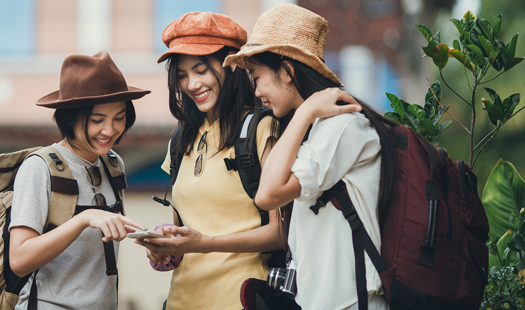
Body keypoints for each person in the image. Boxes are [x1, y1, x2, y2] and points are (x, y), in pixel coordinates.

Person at [224, 4, 397, 310]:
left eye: (257, 77)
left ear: (287, 72)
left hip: (351, 302)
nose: (256, 92)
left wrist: (304, 110)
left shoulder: (344, 126)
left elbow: (267, 195)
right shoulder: (315, 130)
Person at [135, 12, 285, 310]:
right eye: (181, 75)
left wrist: (205, 243)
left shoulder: (259, 128)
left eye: (201, 70)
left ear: (231, 66)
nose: (191, 84)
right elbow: (185, 231)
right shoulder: (181, 139)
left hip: (241, 299)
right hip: (182, 300)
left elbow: (280, 233)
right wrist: (163, 248)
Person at [8, 51, 150, 309]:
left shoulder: (113, 165)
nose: (110, 130)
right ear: (71, 118)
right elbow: (19, 260)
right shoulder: (40, 167)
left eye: (119, 118)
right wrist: (83, 219)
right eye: (97, 120)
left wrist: (151, 241)